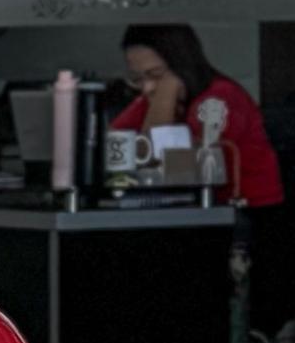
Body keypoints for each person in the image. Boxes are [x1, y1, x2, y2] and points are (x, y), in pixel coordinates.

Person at [114, 23, 282, 209]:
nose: (147, 88)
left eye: (157, 74)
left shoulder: (220, 97)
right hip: (184, 206)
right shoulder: (151, 98)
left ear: (181, 66)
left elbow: (172, 164)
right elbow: (116, 146)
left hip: (246, 209)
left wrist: (167, 90)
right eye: (137, 79)